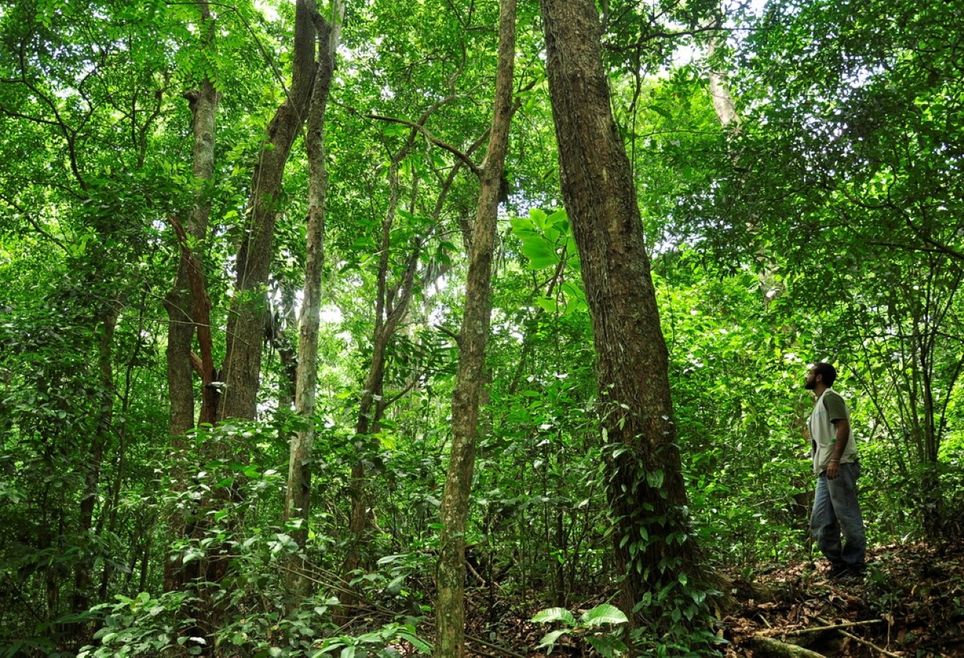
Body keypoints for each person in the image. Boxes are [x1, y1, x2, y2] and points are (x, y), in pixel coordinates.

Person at [805, 362, 866, 578]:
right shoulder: (819, 403)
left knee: (847, 516)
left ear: (819, 377)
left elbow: (843, 426)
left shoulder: (831, 397)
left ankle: (855, 566)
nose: (807, 376)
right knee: (820, 519)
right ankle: (839, 565)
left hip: (839, 466)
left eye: (810, 373)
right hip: (826, 470)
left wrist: (835, 459)